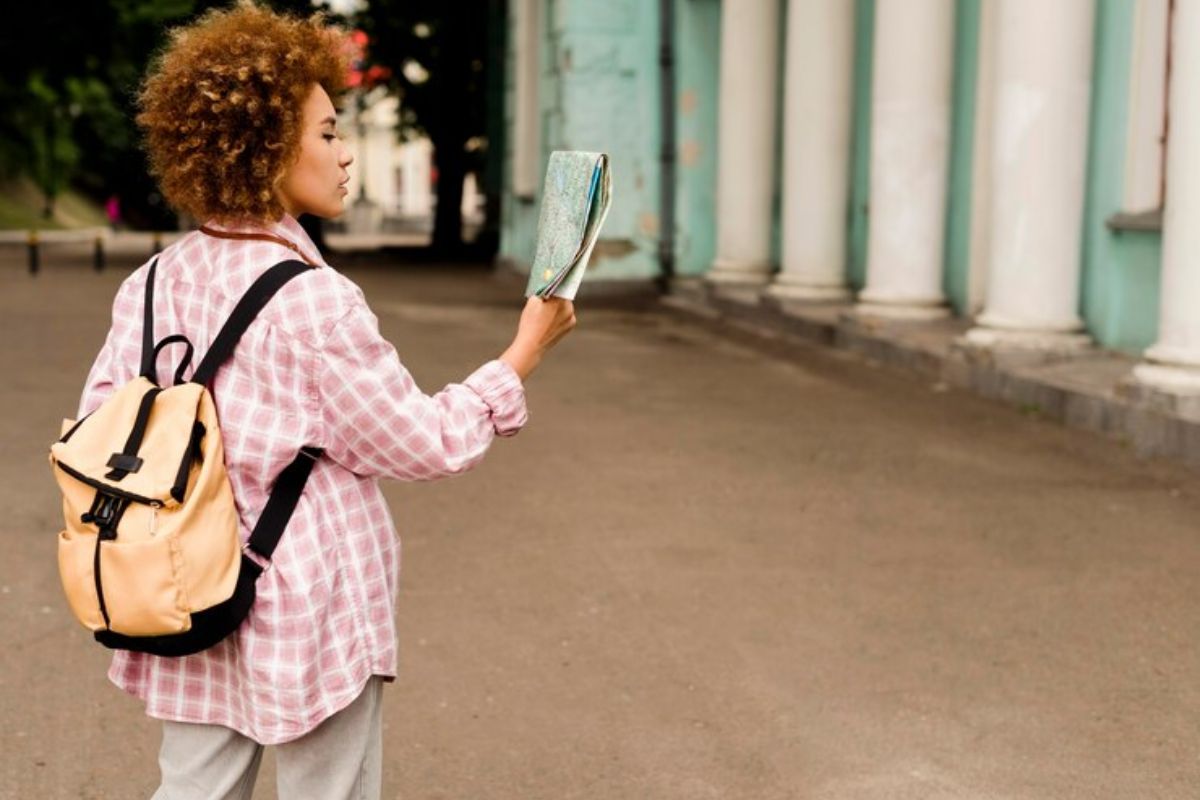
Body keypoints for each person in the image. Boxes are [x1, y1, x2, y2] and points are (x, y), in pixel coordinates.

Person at [76, 3, 575, 798]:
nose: (345, 156)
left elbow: (104, 421)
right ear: (268, 148)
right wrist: (523, 353)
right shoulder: (314, 301)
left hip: (183, 582)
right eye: (328, 133)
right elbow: (421, 441)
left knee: (194, 790)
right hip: (304, 594)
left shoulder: (153, 281)